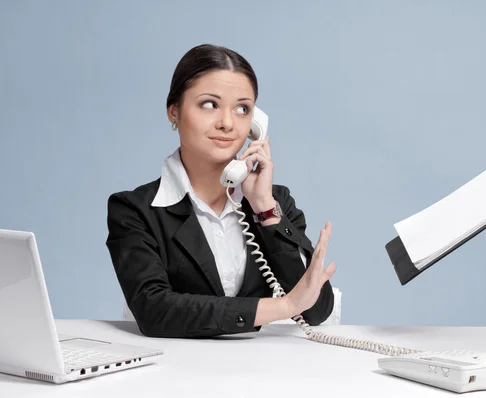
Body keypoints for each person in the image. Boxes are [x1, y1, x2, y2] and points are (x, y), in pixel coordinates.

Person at [105, 44, 337, 338]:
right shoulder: (135, 210)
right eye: (209, 104)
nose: (227, 123)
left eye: (242, 109)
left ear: (256, 125)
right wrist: (284, 306)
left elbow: (316, 311)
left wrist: (265, 208)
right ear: (173, 111)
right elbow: (155, 311)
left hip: (262, 374)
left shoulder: (275, 203)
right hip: (172, 375)